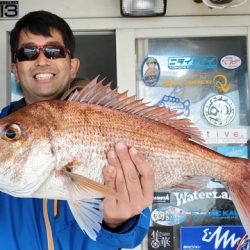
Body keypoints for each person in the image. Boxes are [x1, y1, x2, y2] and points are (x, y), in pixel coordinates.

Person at [0, 10, 154, 250]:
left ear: (72, 66)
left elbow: (130, 237)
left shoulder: (109, 118)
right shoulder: (3, 128)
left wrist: (118, 222)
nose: (41, 60)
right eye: (28, 52)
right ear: (15, 70)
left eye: (54, 51)